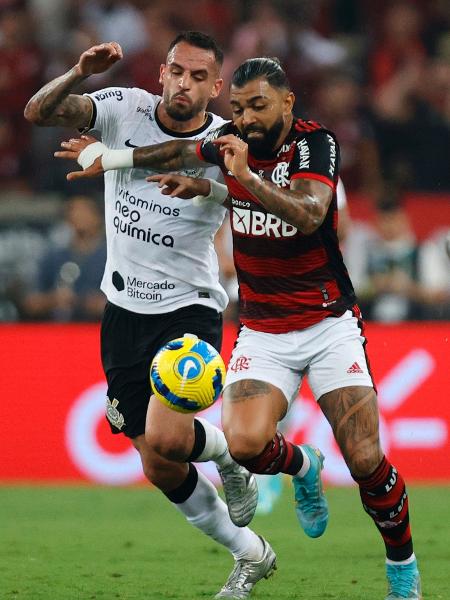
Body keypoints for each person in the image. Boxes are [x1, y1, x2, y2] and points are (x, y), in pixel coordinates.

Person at [56, 56, 423, 600]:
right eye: (238, 110)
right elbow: (178, 150)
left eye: (258, 106)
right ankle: (304, 465)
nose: (246, 120)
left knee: (367, 459)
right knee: (248, 446)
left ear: (287, 102)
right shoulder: (230, 142)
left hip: (327, 322)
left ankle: (402, 567)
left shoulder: (314, 145)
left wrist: (241, 176)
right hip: (262, 329)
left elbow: (309, 213)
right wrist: (111, 157)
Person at [24, 35, 280, 599]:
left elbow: (253, 195)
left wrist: (207, 186)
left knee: (166, 437)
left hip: (187, 309)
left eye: (198, 77)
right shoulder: (123, 107)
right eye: (176, 71)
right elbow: (37, 112)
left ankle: (226, 455)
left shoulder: (226, 141)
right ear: (162, 72)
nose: (183, 84)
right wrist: (76, 72)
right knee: (158, 463)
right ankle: (250, 550)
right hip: (122, 313)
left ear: (215, 88)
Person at [23, 195, 107, 322]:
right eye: (73, 211)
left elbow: (125, 304)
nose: (78, 216)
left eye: (85, 211)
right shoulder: (54, 256)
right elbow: (31, 303)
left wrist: (88, 302)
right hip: (57, 331)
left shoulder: (109, 257)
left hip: (96, 329)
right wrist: (53, 300)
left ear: (98, 217)